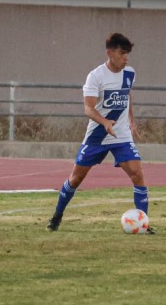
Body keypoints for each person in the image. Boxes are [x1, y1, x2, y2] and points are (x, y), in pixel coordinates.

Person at [46, 32, 153, 233]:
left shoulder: (129, 73)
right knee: (76, 179)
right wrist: (104, 122)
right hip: (97, 136)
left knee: (137, 173)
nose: (126, 58)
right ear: (110, 53)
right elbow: (88, 108)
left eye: (127, 54)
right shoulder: (96, 76)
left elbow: (127, 95)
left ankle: (144, 224)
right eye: (122, 53)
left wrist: (131, 120)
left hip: (121, 135)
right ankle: (57, 215)